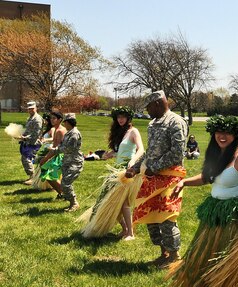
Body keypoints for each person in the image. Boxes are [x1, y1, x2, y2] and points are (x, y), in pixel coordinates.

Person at [167, 115, 238, 287]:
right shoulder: (216, 154)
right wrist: (185, 182)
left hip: (237, 215)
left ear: (235, 135)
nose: (222, 136)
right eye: (218, 132)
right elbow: (207, 178)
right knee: (208, 255)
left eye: (227, 133)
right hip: (217, 214)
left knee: (233, 261)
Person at [125, 90, 188, 267]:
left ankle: (175, 256)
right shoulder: (153, 124)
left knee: (166, 216)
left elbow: (177, 153)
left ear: (158, 104)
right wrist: (136, 168)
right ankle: (164, 253)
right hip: (152, 177)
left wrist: (155, 167)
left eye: (149, 107)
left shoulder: (176, 122)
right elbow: (150, 152)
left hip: (169, 177)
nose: (147, 111)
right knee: (151, 216)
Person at [82, 106, 144, 240]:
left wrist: (133, 160)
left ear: (128, 118)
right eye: (118, 117)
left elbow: (141, 149)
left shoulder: (133, 131)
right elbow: (121, 151)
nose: (120, 119)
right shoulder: (120, 133)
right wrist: (111, 154)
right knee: (108, 200)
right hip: (117, 169)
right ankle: (124, 229)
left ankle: (130, 233)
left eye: (123, 117)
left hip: (127, 171)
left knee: (123, 202)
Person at [41, 113, 84, 212]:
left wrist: (55, 149)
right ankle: (70, 201)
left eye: (65, 122)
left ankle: (74, 203)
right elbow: (62, 145)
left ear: (69, 122)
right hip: (67, 161)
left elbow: (68, 148)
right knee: (65, 183)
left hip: (75, 162)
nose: (64, 124)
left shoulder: (74, 134)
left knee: (65, 184)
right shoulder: (69, 132)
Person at [39, 110, 66, 198]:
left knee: (49, 175)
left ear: (60, 119)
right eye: (51, 118)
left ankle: (64, 194)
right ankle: (62, 193)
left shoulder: (60, 131)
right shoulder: (57, 129)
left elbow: (55, 149)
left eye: (54, 118)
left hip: (60, 156)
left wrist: (45, 159)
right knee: (49, 175)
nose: (51, 120)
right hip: (59, 155)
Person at [19, 101, 43, 185]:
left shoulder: (37, 119)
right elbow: (28, 130)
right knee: (26, 158)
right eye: (29, 109)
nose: (31, 110)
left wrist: (26, 138)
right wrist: (22, 135)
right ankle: (33, 177)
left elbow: (36, 133)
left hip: (34, 143)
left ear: (36, 108)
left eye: (32, 108)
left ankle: (33, 178)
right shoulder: (30, 118)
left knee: (26, 158)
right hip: (28, 142)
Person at [31, 113, 55, 190]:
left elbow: (53, 139)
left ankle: (46, 185)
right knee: (40, 166)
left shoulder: (52, 129)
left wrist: (45, 140)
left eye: (45, 120)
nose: (44, 121)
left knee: (44, 167)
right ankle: (42, 184)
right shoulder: (46, 129)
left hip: (49, 150)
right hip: (45, 148)